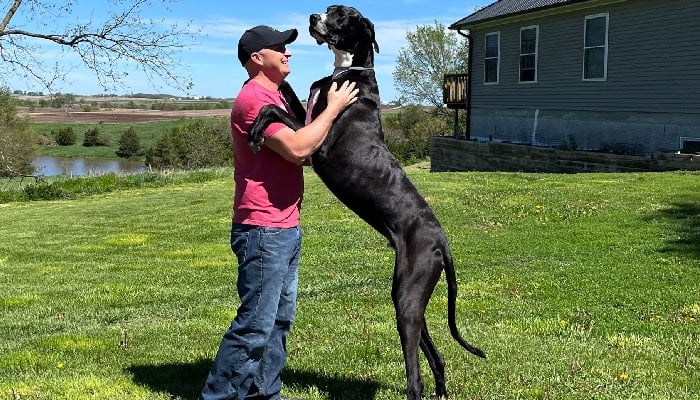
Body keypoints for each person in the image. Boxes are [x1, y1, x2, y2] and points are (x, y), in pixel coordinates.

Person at [200, 25, 358, 400]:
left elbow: (304, 148)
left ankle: (263, 393)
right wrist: (334, 107)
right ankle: (218, 396)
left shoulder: (280, 97)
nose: (288, 53)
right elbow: (299, 149)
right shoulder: (254, 99)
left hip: (285, 225)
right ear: (257, 58)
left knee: (278, 321)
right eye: (279, 48)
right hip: (262, 228)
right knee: (255, 324)